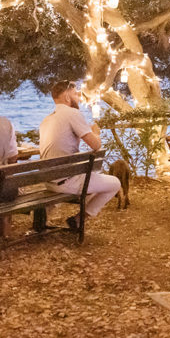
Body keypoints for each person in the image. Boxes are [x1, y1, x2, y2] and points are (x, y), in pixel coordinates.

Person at [39, 80, 121, 227]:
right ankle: (78, 220)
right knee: (115, 183)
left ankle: (52, 216)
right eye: (75, 94)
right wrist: (96, 133)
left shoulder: (47, 119)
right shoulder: (72, 113)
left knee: (96, 179)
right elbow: (96, 145)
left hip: (49, 181)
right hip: (66, 182)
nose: (79, 97)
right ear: (67, 96)